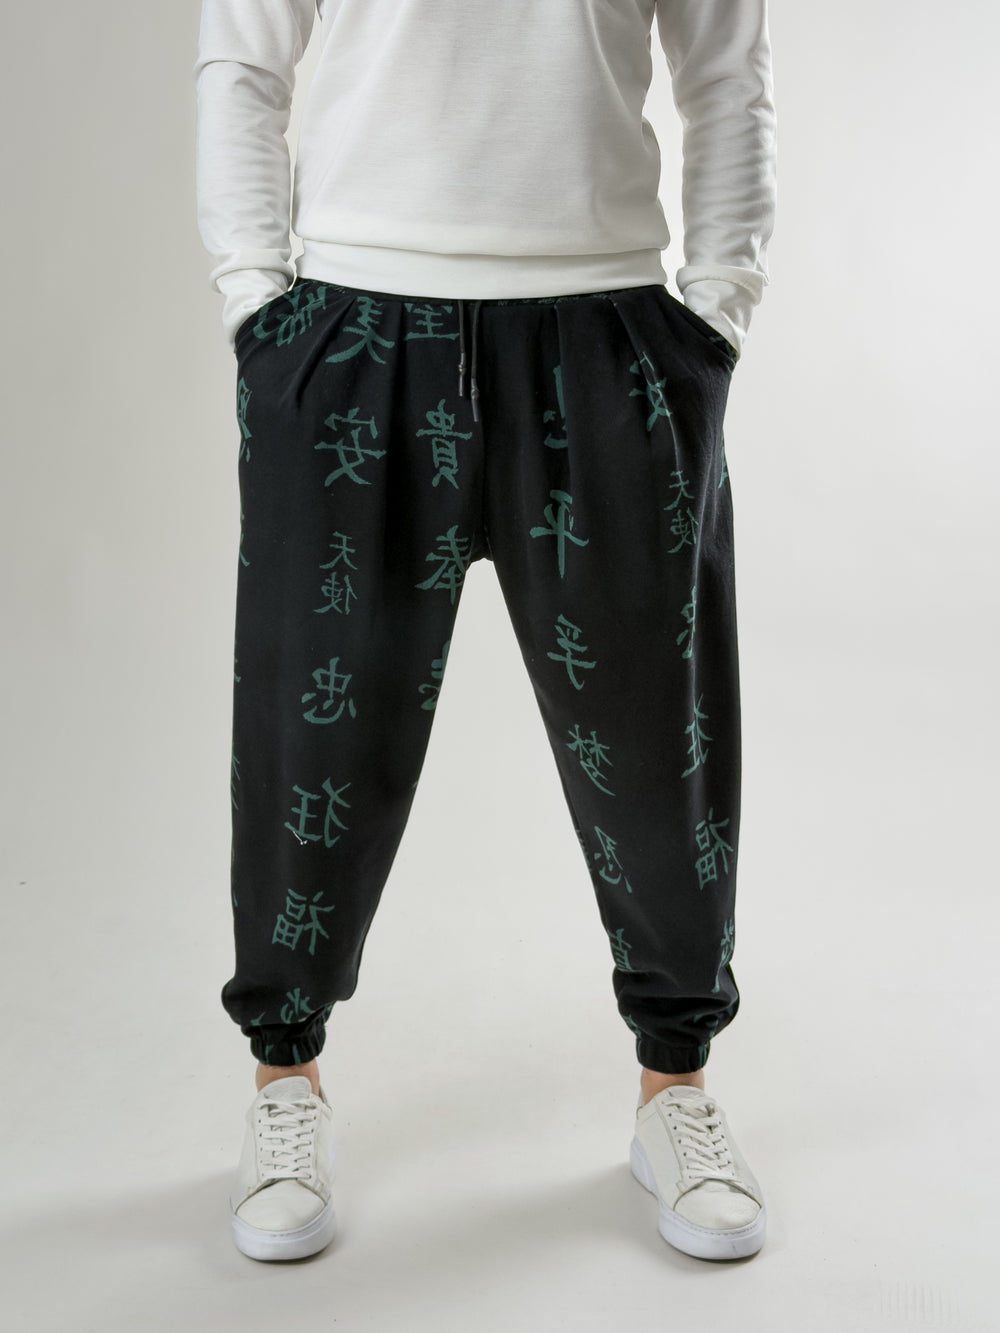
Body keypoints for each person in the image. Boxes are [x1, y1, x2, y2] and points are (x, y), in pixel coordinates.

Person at [192, 0, 777, 1265]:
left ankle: (674, 1086)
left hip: (603, 326)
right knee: (314, 733)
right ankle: (284, 1082)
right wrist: (256, 304)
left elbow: (725, 72)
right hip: (353, 327)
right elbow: (243, 60)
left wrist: (716, 310)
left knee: (653, 734)